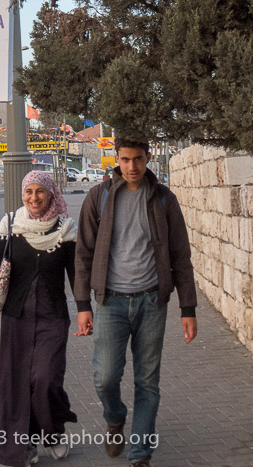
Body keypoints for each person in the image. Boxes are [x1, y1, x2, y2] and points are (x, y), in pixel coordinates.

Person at [74, 138, 197, 467]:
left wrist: (188, 308)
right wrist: (82, 305)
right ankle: (115, 417)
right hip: (109, 303)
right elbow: (83, 255)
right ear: (116, 159)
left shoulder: (163, 199)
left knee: (147, 382)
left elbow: (180, 256)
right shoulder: (98, 197)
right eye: (126, 159)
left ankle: (141, 455)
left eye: (138, 159)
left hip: (152, 303)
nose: (132, 166)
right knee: (105, 377)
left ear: (147, 158)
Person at [0, 171, 78, 467]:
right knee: (18, 383)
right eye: (28, 191)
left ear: (51, 193)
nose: (33, 198)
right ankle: (23, 443)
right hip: (17, 318)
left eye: (40, 191)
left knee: (45, 379)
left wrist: (85, 309)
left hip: (53, 317)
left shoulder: (65, 229)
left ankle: (53, 433)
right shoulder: (12, 225)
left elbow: (76, 275)